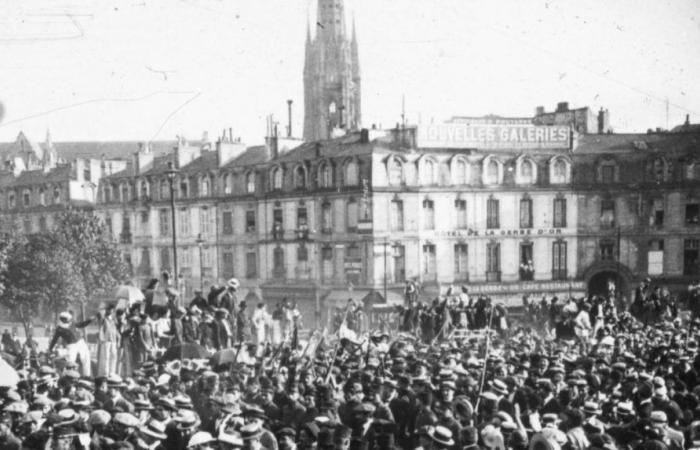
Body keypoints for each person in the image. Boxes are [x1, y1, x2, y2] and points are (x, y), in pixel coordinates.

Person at [48, 311, 93, 377]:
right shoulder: (59, 329)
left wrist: (89, 320)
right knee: (71, 361)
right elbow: (54, 339)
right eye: (68, 320)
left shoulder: (72, 323)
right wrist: (50, 349)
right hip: (71, 345)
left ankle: (87, 375)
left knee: (86, 357)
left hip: (80, 342)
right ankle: (70, 375)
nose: (70, 321)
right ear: (63, 320)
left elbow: (81, 324)